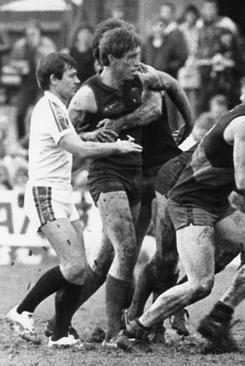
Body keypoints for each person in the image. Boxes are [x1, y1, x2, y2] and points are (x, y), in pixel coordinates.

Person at [118, 62, 245, 353]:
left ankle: (219, 315)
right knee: (199, 282)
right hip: (189, 201)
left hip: (213, 201)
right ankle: (136, 329)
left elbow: (236, 176)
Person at [5, 52, 141, 348]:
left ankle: (60, 334)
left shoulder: (57, 108)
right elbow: (75, 147)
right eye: (71, 75)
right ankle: (22, 310)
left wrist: (96, 135)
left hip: (61, 192)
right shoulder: (50, 106)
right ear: (54, 80)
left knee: (79, 271)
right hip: (46, 192)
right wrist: (116, 147)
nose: (77, 80)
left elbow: (74, 142)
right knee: (74, 266)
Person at [66, 26, 191, 346]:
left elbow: (161, 98)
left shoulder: (140, 77)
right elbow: (66, 135)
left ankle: (133, 320)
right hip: (118, 173)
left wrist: (188, 124)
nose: (138, 62)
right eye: (131, 56)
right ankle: (116, 327)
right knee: (125, 251)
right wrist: (92, 143)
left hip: (149, 168)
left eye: (138, 56)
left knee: (130, 253)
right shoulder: (90, 93)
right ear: (107, 59)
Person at [8, 21, 57, 141]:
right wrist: (19, 66)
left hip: (43, 84)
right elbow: (12, 62)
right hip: (26, 83)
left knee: (41, 114)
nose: (31, 37)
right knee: (20, 113)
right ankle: (21, 140)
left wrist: (39, 52)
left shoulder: (47, 44)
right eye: (28, 34)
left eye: (34, 34)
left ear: (39, 33)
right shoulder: (20, 45)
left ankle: (43, 140)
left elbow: (55, 61)